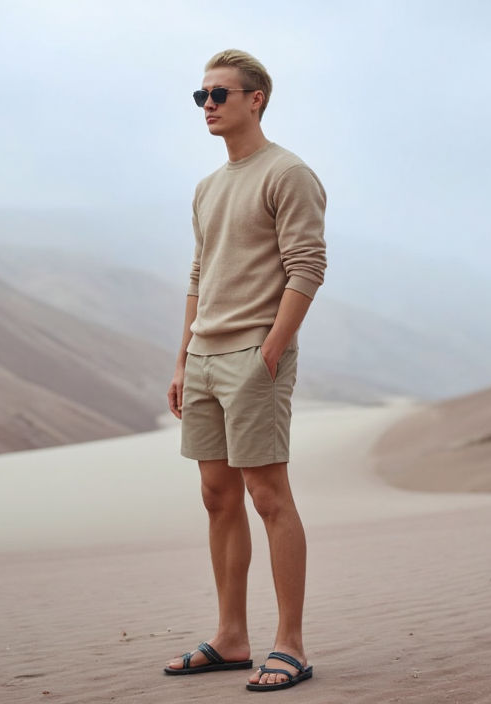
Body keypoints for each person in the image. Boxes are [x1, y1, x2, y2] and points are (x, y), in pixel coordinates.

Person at [161, 49, 326, 693]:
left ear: (256, 99)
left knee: (268, 495)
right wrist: (182, 359)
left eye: (219, 94)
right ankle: (231, 638)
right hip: (204, 358)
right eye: (200, 96)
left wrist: (272, 349)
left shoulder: (288, 173)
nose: (207, 105)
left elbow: (307, 266)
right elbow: (199, 275)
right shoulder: (207, 188)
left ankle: (291, 645)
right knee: (216, 496)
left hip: (255, 356)